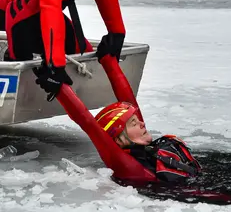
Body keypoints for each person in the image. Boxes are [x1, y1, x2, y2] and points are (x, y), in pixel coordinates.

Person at [34, 54, 202, 183]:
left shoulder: (145, 150)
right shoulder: (129, 167)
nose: (142, 123)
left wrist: (109, 61)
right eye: (134, 123)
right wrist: (60, 89)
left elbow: (130, 103)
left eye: (137, 120)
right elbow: (88, 124)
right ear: (120, 140)